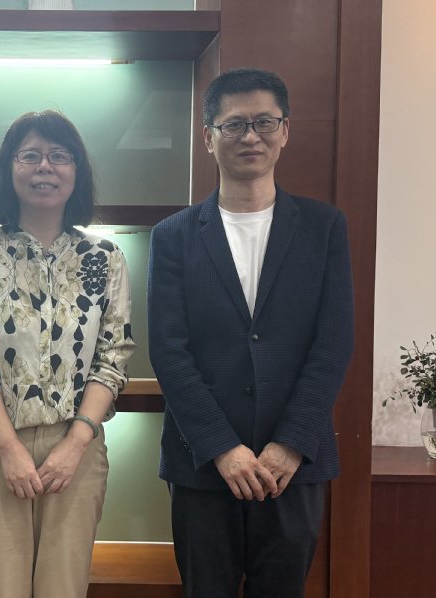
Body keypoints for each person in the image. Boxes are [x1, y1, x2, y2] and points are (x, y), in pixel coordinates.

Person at [147, 68, 355, 598]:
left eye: (265, 122)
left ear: (285, 131)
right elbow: (169, 351)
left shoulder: (324, 228)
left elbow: (333, 344)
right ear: (208, 136)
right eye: (234, 124)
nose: (250, 136)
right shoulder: (173, 237)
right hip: (204, 466)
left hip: (293, 465)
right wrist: (223, 449)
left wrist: (289, 445)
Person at [0, 109, 135, 598]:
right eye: (29, 156)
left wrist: (75, 445)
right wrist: (10, 450)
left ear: (77, 171)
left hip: (77, 446)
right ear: (9, 169)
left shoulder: (105, 258)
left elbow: (113, 356)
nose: (44, 167)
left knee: (63, 589)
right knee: (2, 590)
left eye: (59, 156)